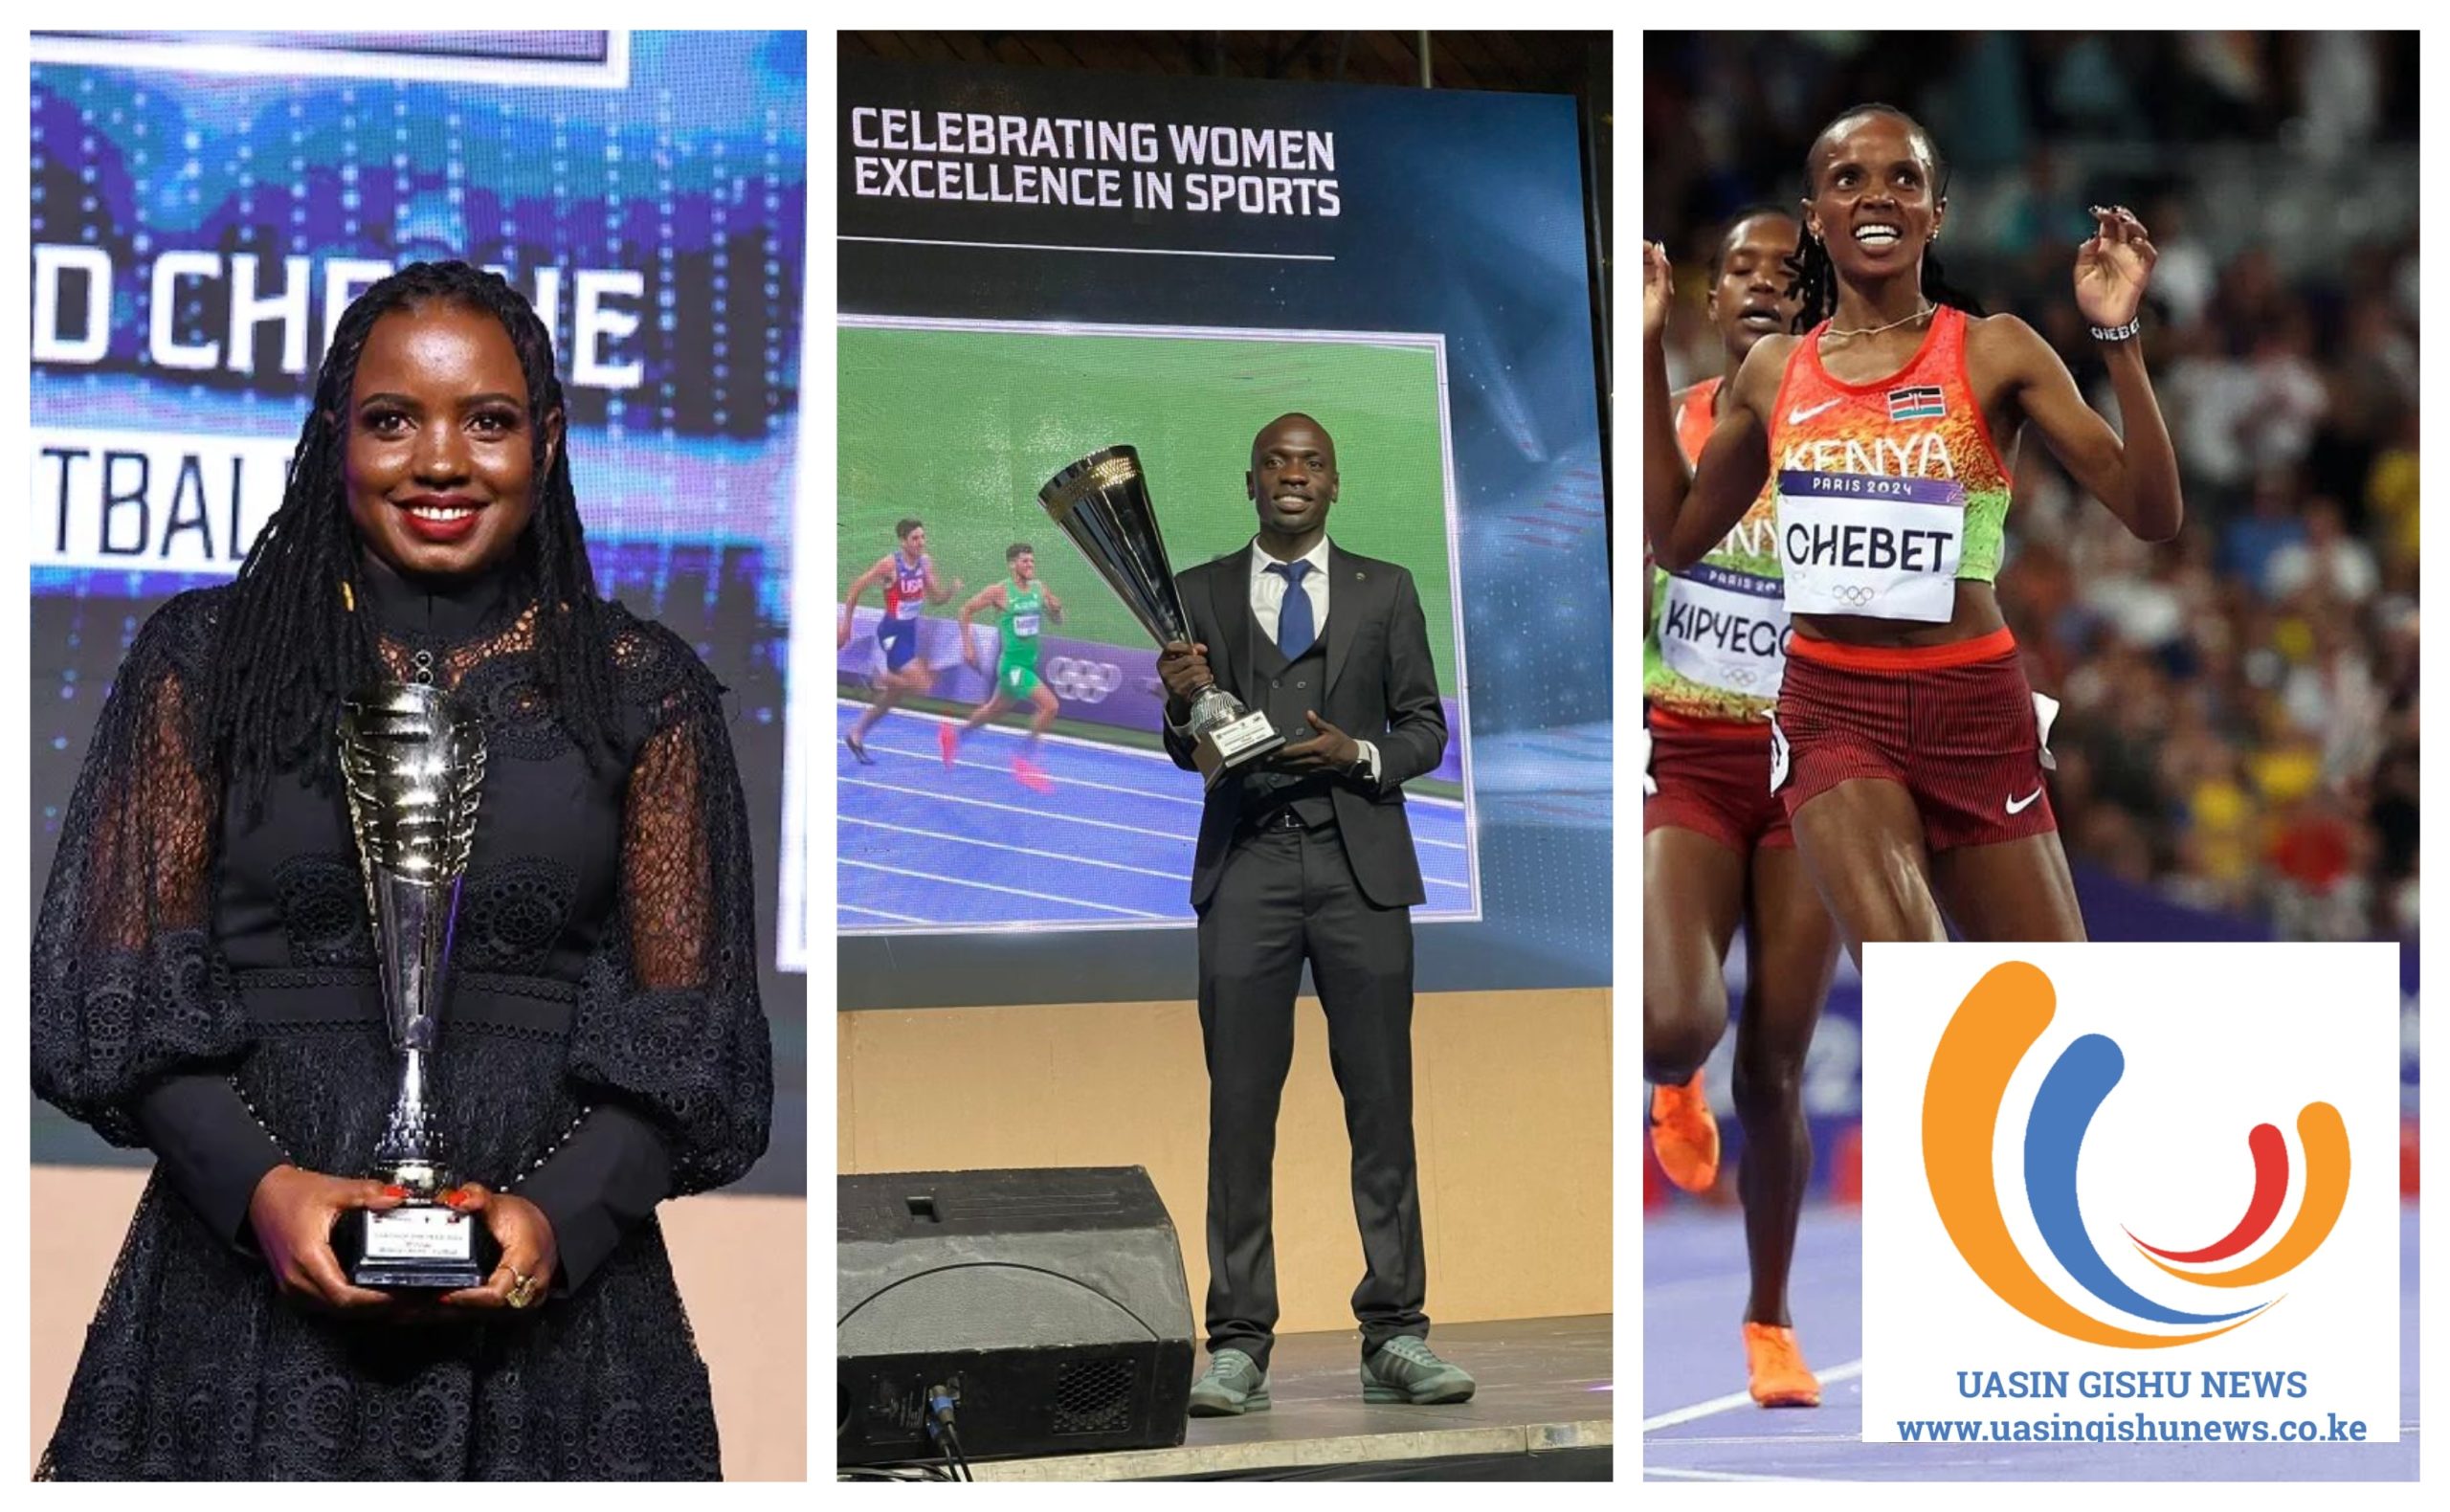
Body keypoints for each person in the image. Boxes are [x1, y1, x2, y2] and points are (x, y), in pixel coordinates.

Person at [31, 260, 772, 1479]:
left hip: (553, 1328)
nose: (439, 461)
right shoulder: (203, 663)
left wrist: (556, 1219)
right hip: (242, 1294)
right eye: (391, 419)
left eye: (486, 420)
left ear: (547, 440)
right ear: (337, 432)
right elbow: (124, 991)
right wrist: (258, 1189)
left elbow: (689, 1039)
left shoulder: (642, 692)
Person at [1643, 102, 2182, 960]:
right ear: (1814, 217)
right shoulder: (1775, 372)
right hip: (1833, 711)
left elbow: (2153, 515)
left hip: (1974, 709)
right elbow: (1676, 538)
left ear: (1937, 213)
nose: (1877, 195)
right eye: (1848, 179)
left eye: (1904, 178)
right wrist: (1645, 349)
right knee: (1918, 988)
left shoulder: (1995, 350)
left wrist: (2117, 337)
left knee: (2056, 1002)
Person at [1153, 412, 1471, 1416]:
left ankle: (1396, 1332)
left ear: (1335, 484)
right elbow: (1183, 747)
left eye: (1312, 462)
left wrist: (1359, 755)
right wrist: (1180, 707)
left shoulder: (1387, 588)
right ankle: (1238, 1345)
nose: (1294, 474)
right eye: (1276, 462)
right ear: (1250, 482)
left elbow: (1425, 728)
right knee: (1240, 1112)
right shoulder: (1198, 591)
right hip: (1247, 864)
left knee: (1381, 1107)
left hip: (1358, 868)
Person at [1643, 207, 1843, 1408]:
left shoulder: (1849, 434)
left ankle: (1769, 1318)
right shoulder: (1670, 417)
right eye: (1739, 269)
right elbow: (1650, 552)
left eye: (1786, 271)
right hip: (1689, 751)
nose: (1762, 283)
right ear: (1712, 299)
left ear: (1813, 303)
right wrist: (1644, 345)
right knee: (1674, 1018)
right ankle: (1672, 1079)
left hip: (1809, 762)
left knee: (1774, 1068)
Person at [944, 542, 1065, 792]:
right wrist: (968, 646)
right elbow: (965, 610)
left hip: (1027, 665)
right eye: (1024, 561)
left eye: (1032, 561)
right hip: (1012, 668)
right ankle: (1023, 760)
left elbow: (1058, 620)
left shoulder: (1039, 588)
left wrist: (1057, 610)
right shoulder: (999, 591)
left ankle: (954, 736)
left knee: (992, 711)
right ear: (1012, 564)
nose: (1030, 565)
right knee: (1050, 706)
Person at [838, 518, 958, 763]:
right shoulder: (890, 565)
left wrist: (950, 592)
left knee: (893, 696)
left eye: (923, 537)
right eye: (915, 538)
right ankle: (876, 678)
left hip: (909, 634)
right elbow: (855, 589)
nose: (921, 542)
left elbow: (936, 598)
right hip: (891, 633)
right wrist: (846, 626)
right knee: (923, 686)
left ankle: (856, 734)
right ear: (903, 542)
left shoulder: (925, 563)